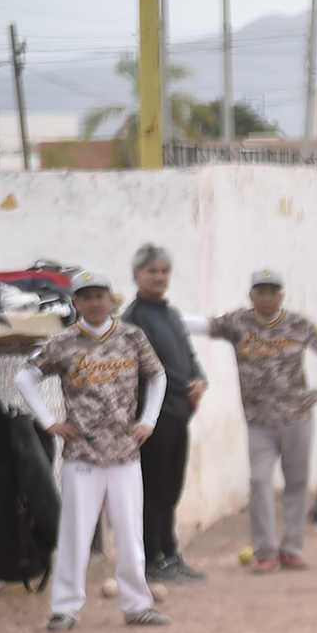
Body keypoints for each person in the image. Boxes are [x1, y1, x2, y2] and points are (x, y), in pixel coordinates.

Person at [11, 268, 170, 632]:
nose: (94, 303)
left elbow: (157, 375)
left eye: (100, 296)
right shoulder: (64, 342)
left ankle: (136, 605)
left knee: (130, 532)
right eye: (86, 297)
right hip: (82, 455)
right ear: (76, 302)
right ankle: (65, 608)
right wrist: (50, 421)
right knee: (75, 533)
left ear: (110, 299)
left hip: (125, 452)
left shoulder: (131, 336)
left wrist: (148, 420)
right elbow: (25, 377)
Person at [184, 268, 317, 573]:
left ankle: (292, 548)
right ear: (251, 295)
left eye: (273, 291)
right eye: (261, 291)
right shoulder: (239, 322)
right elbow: (202, 325)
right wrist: (160, 314)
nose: (267, 297)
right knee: (259, 481)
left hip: (296, 417)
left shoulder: (298, 324)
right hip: (259, 421)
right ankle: (266, 550)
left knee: (296, 484)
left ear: (281, 295)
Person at [124, 242, 210, 584]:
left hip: (178, 414)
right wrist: (182, 387)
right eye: (151, 272)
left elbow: (188, 356)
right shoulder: (134, 318)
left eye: (163, 271)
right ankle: (152, 559)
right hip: (151, 417)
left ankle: (171, 554)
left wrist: (200, 381)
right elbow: (149, 369)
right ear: (136, 276)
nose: (158, 277)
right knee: (153, 490)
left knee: (171, 488)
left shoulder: (171, 314)